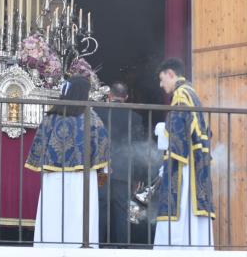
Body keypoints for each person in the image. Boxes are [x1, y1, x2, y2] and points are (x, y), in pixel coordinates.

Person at [25, 76, 110, 248]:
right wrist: (102, 174)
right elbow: (103, 149)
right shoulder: (92, 118)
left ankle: (48, 247)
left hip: (54, 177)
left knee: (52, 212)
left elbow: (39, 145)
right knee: (79, 215)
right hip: (82, 179)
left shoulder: (52, 115)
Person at [153, 58, 215, 250]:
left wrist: (161, 130)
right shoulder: (192, 92)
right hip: (197, 161)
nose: (161, 85)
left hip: (184, 164)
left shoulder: (181, 94)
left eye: (162, 79)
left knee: (180, 209)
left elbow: (178, 129)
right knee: (191, 214)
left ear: (171, 74)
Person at [95, 82, 146, 247]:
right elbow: (138, 148)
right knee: (122, 209)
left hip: (102, 169)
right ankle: (123, 247)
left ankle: (98, 244)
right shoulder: (135, 118)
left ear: (109, 95)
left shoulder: (98, 112)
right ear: (126, 97)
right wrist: (137, 176)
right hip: (124, 171)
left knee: (101, 205)